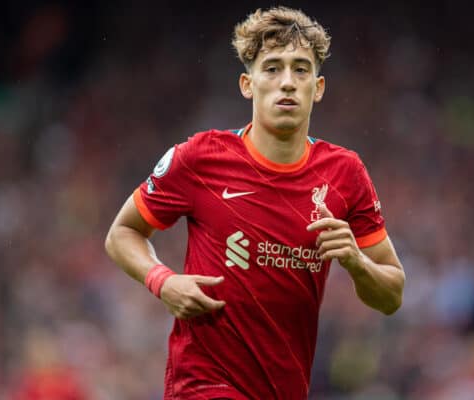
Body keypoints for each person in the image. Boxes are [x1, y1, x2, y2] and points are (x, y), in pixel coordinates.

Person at [105, 6, 405, 400]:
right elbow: (122, 233)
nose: (287, 82)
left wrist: (356, 262)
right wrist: (163, 281)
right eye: (272, 68)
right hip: (203, 384)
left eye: (301, 69)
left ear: (318, 88)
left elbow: (391, 296)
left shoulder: (345, 173)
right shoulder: (199, 157)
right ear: (248, 84)